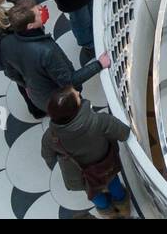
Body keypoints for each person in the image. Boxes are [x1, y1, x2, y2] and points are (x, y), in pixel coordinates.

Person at [0, 0, 109, 114]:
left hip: (38, 96)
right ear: (30, 26)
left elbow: (9, 72)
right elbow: (70, 81)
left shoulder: (6, 42)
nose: (42, 11)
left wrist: (25, 85)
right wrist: (99, 64)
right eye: (38, 13)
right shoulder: (47, 52)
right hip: (61, 101)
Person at [42, 86, 130, 218]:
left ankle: (109, 213)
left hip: (80, 176)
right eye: (76, 95)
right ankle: (123, 209)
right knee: (113, 183)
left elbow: (48, 156)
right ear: (74, 108)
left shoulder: (51, 136)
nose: (78, 92)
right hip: (105, 166)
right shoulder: (99, 121)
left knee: (93, 193)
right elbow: (124, 133)